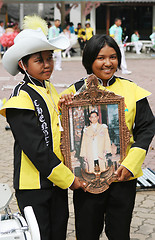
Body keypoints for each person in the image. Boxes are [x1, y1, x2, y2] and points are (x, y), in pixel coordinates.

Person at [62, 34, 155, 240]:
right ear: (89, 60)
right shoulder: (74, 92)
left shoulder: (131, 89)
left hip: (122, 177)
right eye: (100, 57)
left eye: (113, 57)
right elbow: (63, 132)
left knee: (120, 233)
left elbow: (147, 127)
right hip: (86, 180)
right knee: (87, 232)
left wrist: (130, 164)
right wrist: (62, 105)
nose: (107, 63)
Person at [0, 15, 85, 240]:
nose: (47, 65)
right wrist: (69, 179)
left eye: (49, 58)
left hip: (56, 182)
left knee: (58, 233)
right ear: (23, 64)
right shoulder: (20, 98)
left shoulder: (47, 88)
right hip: (34, 186)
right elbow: (37, 150)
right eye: (39, 60)